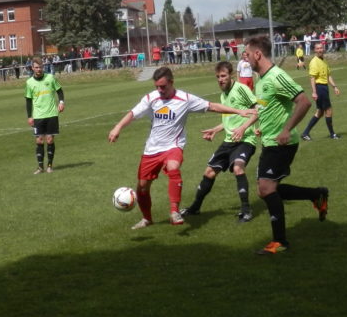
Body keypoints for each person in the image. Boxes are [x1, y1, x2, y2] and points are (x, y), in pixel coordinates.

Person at [107, 66, 252, 230]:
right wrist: (117, 127)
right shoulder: (151, 98)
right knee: (141, 187)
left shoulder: (185, 99)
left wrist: (238, 111)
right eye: (157, 87)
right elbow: (133, 114)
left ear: (171, 82)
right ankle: (147, 219)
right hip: (152, 149)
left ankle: (174, 212)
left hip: (173, 146)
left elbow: (212, 106)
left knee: (173, 167)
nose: (160, 90)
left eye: (163, 86)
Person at [240, 35, 328, 254]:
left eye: (248, 54)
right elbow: (265, 107)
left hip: (281, 143)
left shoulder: (276, 76)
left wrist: (286, 129)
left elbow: (304, 101)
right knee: (270, 189)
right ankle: (316, 194)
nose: (245, 58)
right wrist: (260, 125)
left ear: (258, 54)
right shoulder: (261, 80)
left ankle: (280, 241)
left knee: (266, 188)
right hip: (269, 140)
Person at [181, 61, 259, 222]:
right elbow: (231, 118)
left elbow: (257, 111)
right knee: (209, 172)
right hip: (229, 140)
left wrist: (244, 128)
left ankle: (246, 210)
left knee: (238, 168)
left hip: (245, 139)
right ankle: (195, 208)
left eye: (223, 76)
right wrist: (216, 129)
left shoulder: (241, 89)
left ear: (230, 75)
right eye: (217, 77)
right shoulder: (223, 95)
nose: (220, 79)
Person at [25, 57, 65, 174]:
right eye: (36, 67)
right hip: (38, 116)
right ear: (32, 68)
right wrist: (29, 116)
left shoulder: (50, 78)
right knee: (39, 140)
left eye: (40, 67)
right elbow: (28, 100)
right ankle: (40, 167)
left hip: (51, 113)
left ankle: (50, 166)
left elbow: (59, 90)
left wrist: (61, 102)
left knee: (50, 139)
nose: (39, 69)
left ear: (43, 67)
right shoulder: (29, 83)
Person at [301, 43, 341, 140]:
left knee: (319, 112)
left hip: (324, 87)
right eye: (318, 48)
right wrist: (314, 92)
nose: (320, 50)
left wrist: (334, 87)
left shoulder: (324, 60)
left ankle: (305, 133)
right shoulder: (314, 62)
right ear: (315, 50)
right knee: (328, 110)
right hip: (320, 88)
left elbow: (328, 75)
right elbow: (312, 78)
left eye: (321, 48)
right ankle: (332, 134)